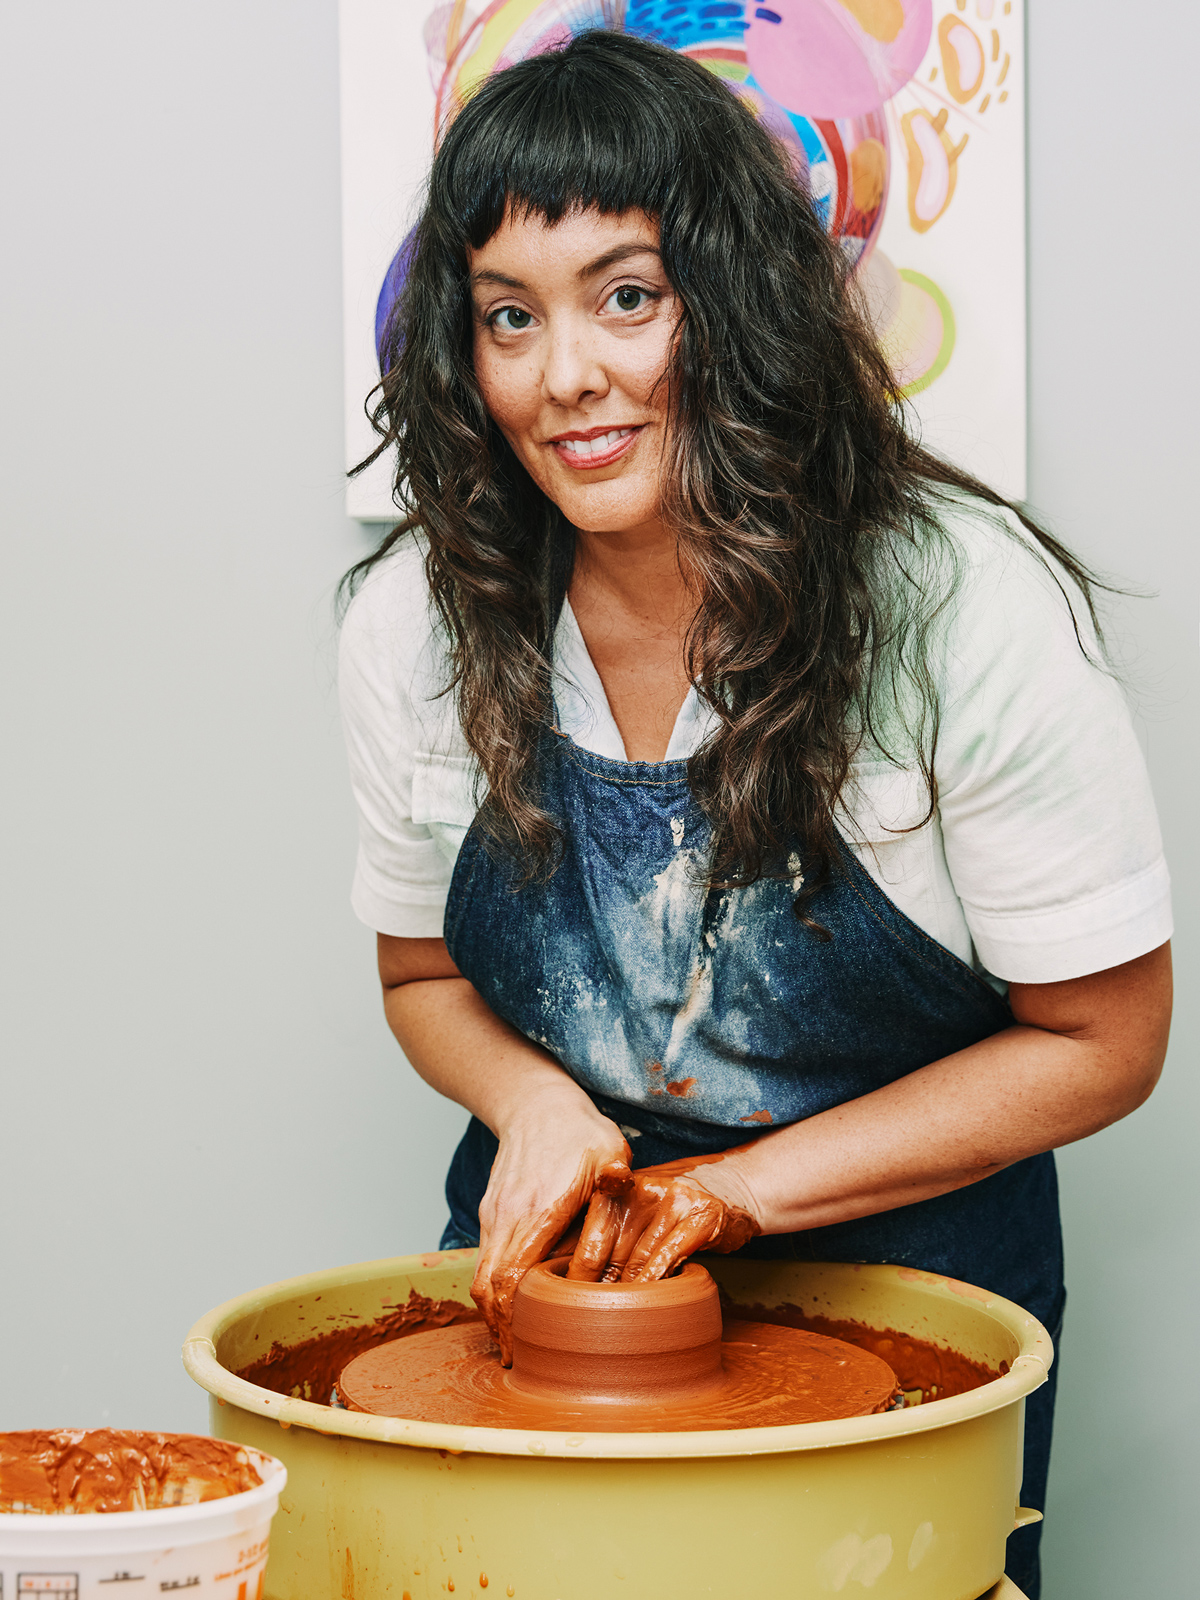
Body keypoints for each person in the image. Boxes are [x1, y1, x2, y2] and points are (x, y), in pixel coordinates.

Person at [337, 32, 1171, 1597]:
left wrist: (726, 1194)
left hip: (901, 1283)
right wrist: (536, 1109)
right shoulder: (419, 623)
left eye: (626, 297)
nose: (564, 373)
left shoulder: (953, 606)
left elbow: (1107, 1040)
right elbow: (422, 979)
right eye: (509, 317)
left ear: (740, 301)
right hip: (550, 1293)